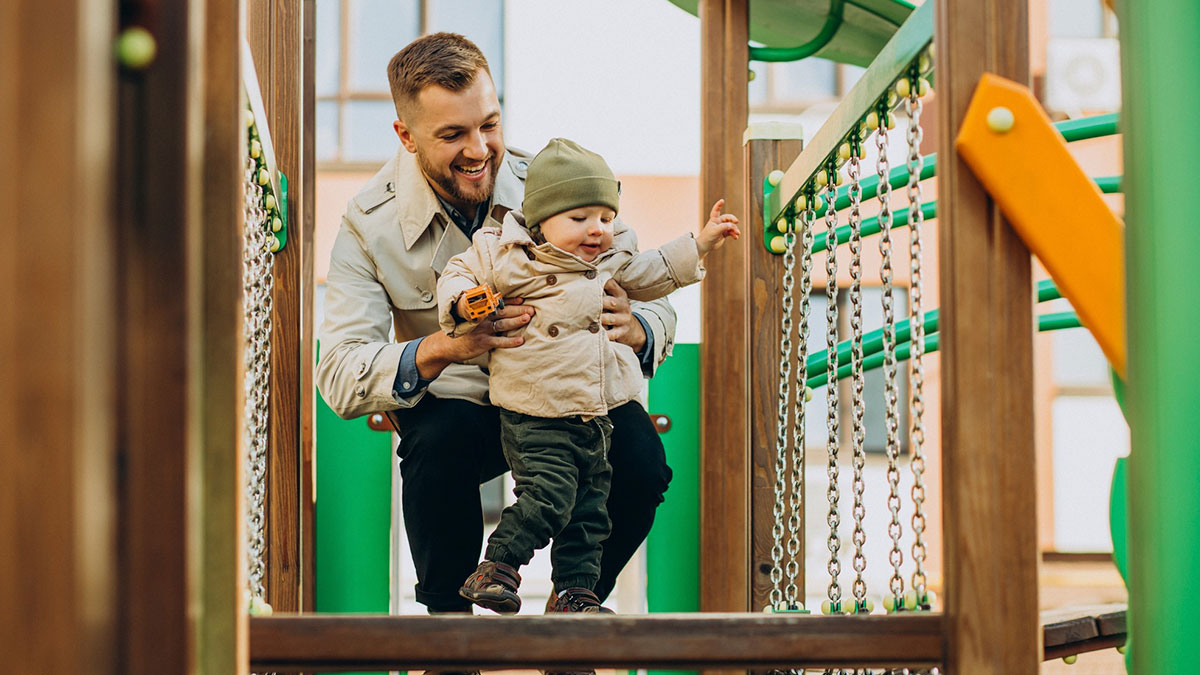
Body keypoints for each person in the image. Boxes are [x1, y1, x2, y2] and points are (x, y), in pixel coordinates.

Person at [315, 32, 679, 615]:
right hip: (465, 409)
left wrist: (640, 327)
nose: (480, 149)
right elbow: (337, 370)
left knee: (638, 457)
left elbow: (648, 283)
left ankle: (572, 607)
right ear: (406, 136)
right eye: (453, 134)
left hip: (567, 391)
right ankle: (449, 633)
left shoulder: (554, 185)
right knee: (436, 445)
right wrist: (441, 347)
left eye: (489, 123)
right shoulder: (367, 223)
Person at [442, 138, 739, 614]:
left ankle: (576, 595)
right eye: (579, 219)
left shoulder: (612, 258)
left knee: (590, 513)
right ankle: (497, 566)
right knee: (550, 494)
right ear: (540, 220)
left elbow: (655, 271)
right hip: (536, 408)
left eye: (605, 217)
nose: (596, 230)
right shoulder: (508, 253)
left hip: (595, 411)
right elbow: (459, 272)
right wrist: (463, 302)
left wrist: (699, 244)